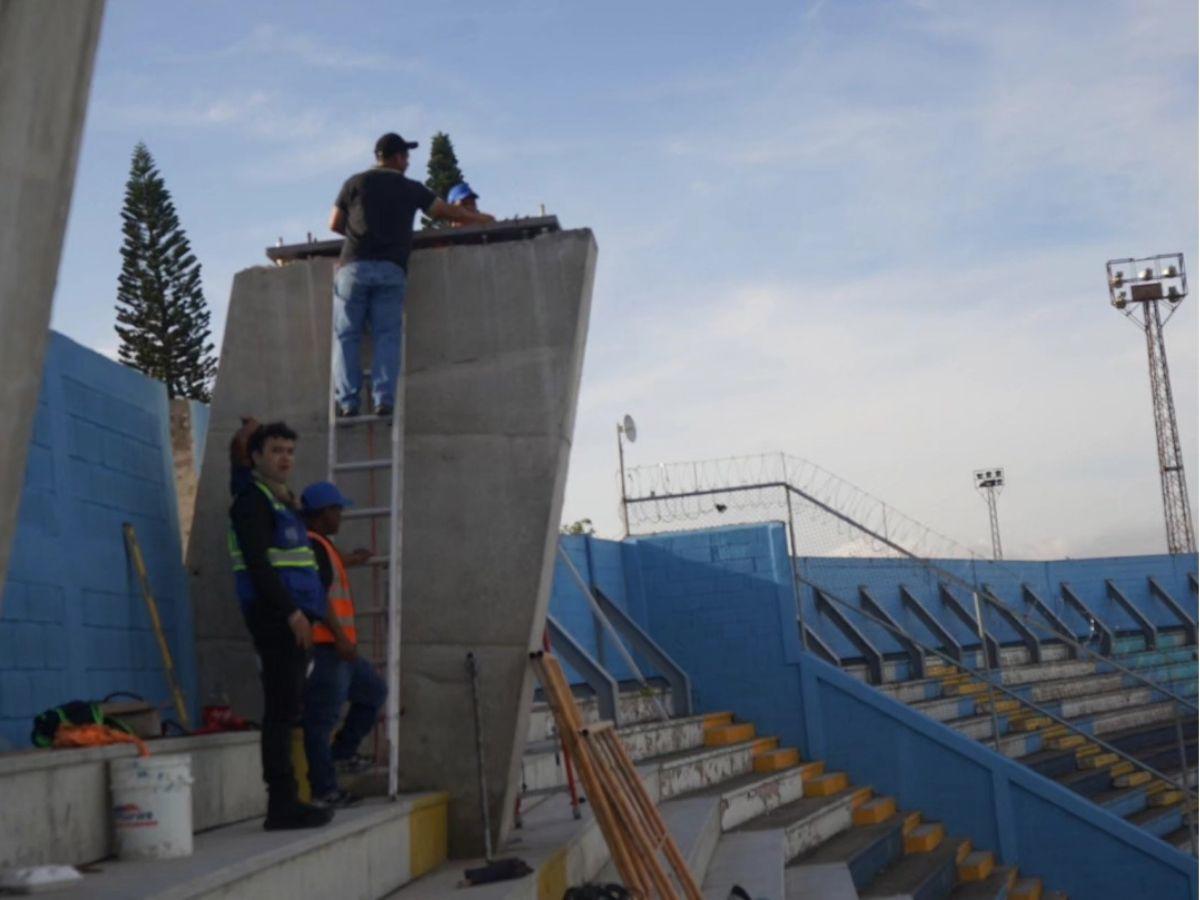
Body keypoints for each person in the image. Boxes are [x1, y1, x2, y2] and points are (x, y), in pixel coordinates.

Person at [328, 132, 497, 418]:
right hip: (390, 269)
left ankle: (348, 402)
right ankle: (384, 400)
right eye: (405, 156)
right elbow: (442, 210)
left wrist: (362, 236)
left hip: (353, 267)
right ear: (396, 158)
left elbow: (334, 223)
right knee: (387, 336)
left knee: (346, 336)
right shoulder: (409, 188)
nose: (408, 161)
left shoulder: (354, 183)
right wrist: (482, 219)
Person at [228, 421, 333, 830]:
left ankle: (289, 799)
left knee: (290, 707)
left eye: (289, 450)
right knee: (280, 710)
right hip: (275, 616)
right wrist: (291, 613)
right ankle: (281, 803)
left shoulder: (282, 502)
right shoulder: (251, 501)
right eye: (275, 450)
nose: (284, 457)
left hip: (296, 616)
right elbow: (259, 565)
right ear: (255, 457)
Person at [298, 481, 389, 807]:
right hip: (328, 648)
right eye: (338, 510)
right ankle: (324, 789)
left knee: (374, 692)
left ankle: (342, 753)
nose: (341, 516)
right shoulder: (312, 545)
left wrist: (353, 559)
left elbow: (329, 570)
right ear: (323, 513)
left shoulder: (320, 544)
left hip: (339, 650)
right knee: (320, 721)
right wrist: (339, 638)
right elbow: (318, 596)